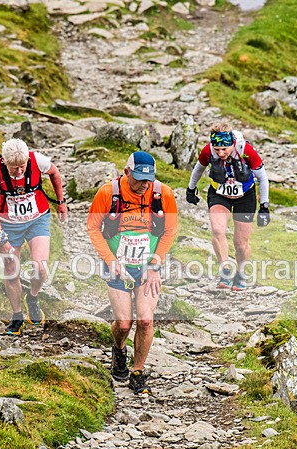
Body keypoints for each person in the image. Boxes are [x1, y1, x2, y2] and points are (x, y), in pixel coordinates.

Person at [87, 151, 178, 394]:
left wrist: (156, 263)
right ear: (126, 172)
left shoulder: (163, 194)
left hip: (149, 265)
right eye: (138, 179)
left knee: (146, 320)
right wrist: (110, 260)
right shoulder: (108, 193)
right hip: (117, 263)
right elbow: (93, 228)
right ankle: (119, 349)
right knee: (124, 323)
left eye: (148, 180)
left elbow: (169, 231)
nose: (143, 185)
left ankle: (137, 372)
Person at [0, 138, 67, 336]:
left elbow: (55, 173)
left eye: (22, 166)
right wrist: (0, 239)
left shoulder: (37, 161)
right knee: (11, 270)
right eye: (14, 168)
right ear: (5, 162)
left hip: (37, 219)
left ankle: (33, 297)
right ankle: (17, 315)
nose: (19, 171)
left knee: (40, 267)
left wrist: (61, 201)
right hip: (9, 225)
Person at [186, 123, 270, 290]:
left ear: (232, 144)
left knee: (241, 244)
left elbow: (263, 178)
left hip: (245, 197)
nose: (221, 153)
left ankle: (241, 272)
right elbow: (198, 169)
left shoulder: (245, 150)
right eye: (217, 149)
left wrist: (264, 206)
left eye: (224, 149)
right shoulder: (208, 151)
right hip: (219, 195)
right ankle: (225, 268)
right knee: (218, 230)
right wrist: (190, 189)